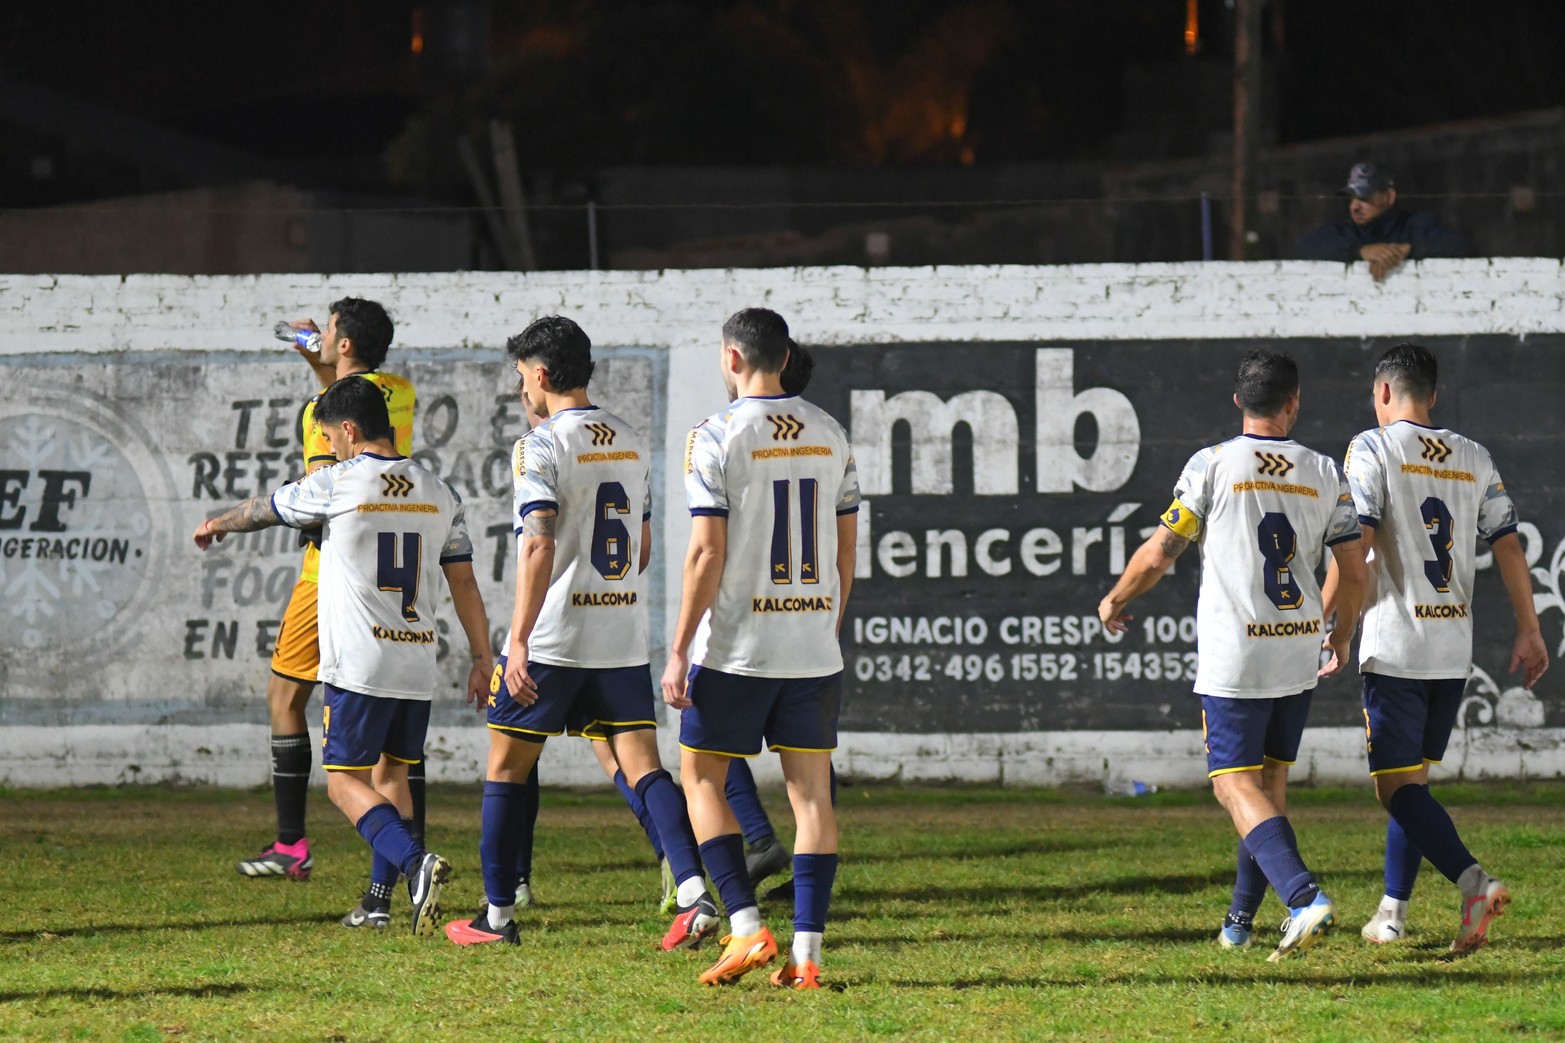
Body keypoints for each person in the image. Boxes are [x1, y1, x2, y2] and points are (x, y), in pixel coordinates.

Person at [445, 316, 715, 949]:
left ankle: (496, 916)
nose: (521, 392)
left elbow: (537, 546)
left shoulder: (538, 446)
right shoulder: (630, 438)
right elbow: (642, 547)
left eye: (520, 379)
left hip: (555, 638)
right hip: (618, 636)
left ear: (540, 375)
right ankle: (696, 893)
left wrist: (518, 639)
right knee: (645, 767)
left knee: (506, 768)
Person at [194, 376, 491, 935]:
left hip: (360, 663)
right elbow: (466, 584)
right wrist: (483, 657)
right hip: (416, 661)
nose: (328, 446)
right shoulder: (441, 490)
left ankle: (415, 864)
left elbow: (263, 509)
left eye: (330, 436)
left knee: (342, 781)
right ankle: (378, 903)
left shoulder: (336, 482)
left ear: (350, 430)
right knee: (393, 775)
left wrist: (216, 524)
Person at [1098, 349, 1365, 962]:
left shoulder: (1214, 464)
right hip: (1297, 646)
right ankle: (1239, 923)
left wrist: (1114, 600)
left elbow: (1161, 553)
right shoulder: (1325, 471)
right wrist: (1342, 632)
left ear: (1239, 401)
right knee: (1268, 785)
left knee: (1232, 784)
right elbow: (1353, 569)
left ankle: (1303, 897)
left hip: (1237, 652)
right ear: (1293, 403)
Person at [661, 308, 860, 989]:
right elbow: (843, 550)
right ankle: (808, 954)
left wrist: (679, 647)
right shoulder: (831, 433)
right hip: (811, 645)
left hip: (740, 649)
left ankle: (746, 928)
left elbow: (706, 550)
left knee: (700, 777)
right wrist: (825, 624)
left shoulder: (715, 435)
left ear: (732, 358)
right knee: (812, 800)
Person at [1327, 342, 1548, 953]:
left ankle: (1474, 881)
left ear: (1383, 394)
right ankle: (1391, 913)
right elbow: (1508, 544)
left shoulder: (1371, 447)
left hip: (1398, 645)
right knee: (1413, 784)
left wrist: (1329, 621)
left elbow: (1357, 546)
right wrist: (1530, 629)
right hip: (1453, 649)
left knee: (1394, 789)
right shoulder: (1474, 456)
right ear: (1434, 395)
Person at [235, 300, 423, 911]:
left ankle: (293, 843)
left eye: (329, 327)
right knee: (399, 746)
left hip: (329, 579)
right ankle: (392, 874)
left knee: (285, 697)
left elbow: (321, 495)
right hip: (398, 587)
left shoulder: (322, 413)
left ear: (343, 344)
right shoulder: (398, 391)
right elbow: (354, 401)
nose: (319, 331)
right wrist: (323, 364)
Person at [1297, 162, 1470, 281]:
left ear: (1389, 197)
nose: (1354, 207)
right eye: (1352, 198)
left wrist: (1407, 249)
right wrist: (1361, 251)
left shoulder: (1416, 225)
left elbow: (1459, 246)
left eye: (1364, 197)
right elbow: (1305, 247)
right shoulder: (1344, 231)